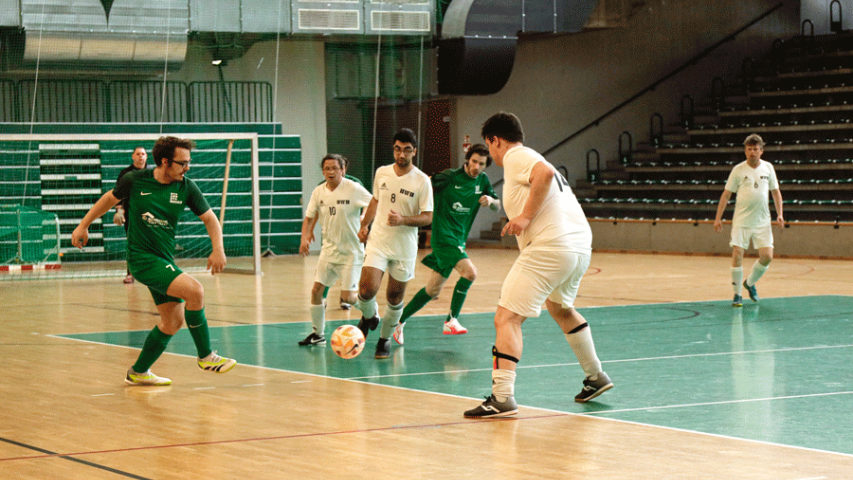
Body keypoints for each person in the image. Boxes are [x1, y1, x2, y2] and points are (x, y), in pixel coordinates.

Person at [464, 112, 612, 419]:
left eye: (490, 147)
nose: (491, 154)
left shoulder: (518, 156)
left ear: (496, 141)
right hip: (579, 246)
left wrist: (526, 217)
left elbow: (543, 173)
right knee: (560, 309)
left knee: (506, 318)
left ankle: (502, 398)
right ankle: (595, 376)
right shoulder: (528, 157)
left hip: (550, 247)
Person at [72, 136, 237, 386]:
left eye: (188, 162)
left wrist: (218, 249)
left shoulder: (186, 187)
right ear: (164, 162)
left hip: (163, 258)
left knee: (172, 322)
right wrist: (83, 226)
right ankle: (206, 356)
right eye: (182, 163)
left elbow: (211, 219)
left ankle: (138, 371)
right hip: (141, 258)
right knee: (196, 291)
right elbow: (109, 200)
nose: (187, 168)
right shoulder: (135, 180)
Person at [392, 144, 500, 345]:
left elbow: (497, 205)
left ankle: (398, 322)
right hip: (443, 237)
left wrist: (490, 201)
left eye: (482, 164)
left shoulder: (483, 181)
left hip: (459, 240)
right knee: (470, 273)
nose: (477, 166)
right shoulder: (450, 177)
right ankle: (451, 320)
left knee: (432, 290)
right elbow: (424, 184)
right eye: (474, 161)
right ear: (467, 159)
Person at [355, 128, 433, 359]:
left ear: (414, 151)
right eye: (398, 149)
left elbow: (428, 216)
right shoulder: (382, 172)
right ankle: (369, 317)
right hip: (379, 240)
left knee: (394, 298)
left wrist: (404, 220)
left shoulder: (421, 181)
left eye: (407, 150)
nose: (401, 154)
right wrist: (364, 225)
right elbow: (375, 201)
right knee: (366, 289)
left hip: (404, 248)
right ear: (394, 149)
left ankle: (384, 339)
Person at [298, 154, 373, 346]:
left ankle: (372, 311)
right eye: (327, 169)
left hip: (351, 252)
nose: (331, 172)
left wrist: (365, 222)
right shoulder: (318, 192)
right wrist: (305, 237)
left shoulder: (353, 188)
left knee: (348, 297)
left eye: (335, 168)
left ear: (343, 170)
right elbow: (309, 215)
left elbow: (374, 203)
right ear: (322, 171)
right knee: (316, 291)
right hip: (329, 251)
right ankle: (318, 334)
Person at [713, 134, 784, 307]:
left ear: (761, 150)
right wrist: (718, 218)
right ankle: (737, 294)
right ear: (745, 151)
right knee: (737, 255)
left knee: (767, 256)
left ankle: (750, 283)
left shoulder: (768, 168)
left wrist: (779, 213)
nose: (752, 152)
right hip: (742, 220)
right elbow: (726, 194)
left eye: (755, 149)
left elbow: (775, 192)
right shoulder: (738, 170)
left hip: (762, 221)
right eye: (749, 149)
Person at [114, 146, 149, 284]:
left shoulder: (153, 172)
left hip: (149, 213)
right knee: (132, 243)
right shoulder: (125, 173)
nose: (141, 156)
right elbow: (118, 193)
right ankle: (130, 273)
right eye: (138, 154)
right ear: (133, 157)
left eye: (143, 154)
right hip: (131, 213)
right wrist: (119, 210)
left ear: (146, 156)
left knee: (151, 242)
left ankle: (150, 272)